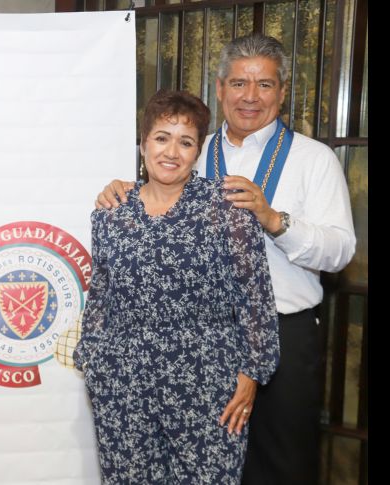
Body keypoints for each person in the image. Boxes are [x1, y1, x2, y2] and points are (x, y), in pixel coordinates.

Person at [96, 34, 356, 484]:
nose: (250, 96)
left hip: (282, 333)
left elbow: (340, 251)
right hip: (194, 343)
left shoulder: (314, 160)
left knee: (281, 466)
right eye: (238, 83)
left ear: (282, 91)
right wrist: (120, 190)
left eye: (264, 84)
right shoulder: (192, 149)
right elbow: (155, 198)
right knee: (200, 468)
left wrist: (274, 220)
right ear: (219, 89)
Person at [74, 89, 279, 484]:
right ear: (143, 144)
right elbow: (100, 296)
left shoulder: (228, 209)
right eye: (161, 137)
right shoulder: (111, 213)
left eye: (185, 142)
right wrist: (93, 359)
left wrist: (251, 374)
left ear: (197, 151)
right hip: (123, 385)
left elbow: (256, 299)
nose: (171, 152)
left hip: (209, 385)